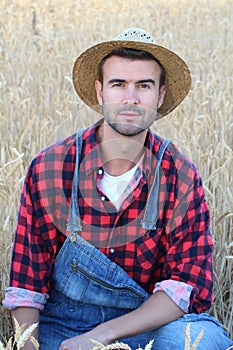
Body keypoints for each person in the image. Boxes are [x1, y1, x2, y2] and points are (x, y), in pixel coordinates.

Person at [3, 28, 233, 350]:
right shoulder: (50, 167)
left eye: (143, 85)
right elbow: (26, 283)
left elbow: (185, 285)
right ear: (100, 92)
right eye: (118, 84)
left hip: (143, 326)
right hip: (63, 330)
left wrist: (101, 337)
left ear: (160, 95)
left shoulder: (180, 175)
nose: (131, 98)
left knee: (203, 341)